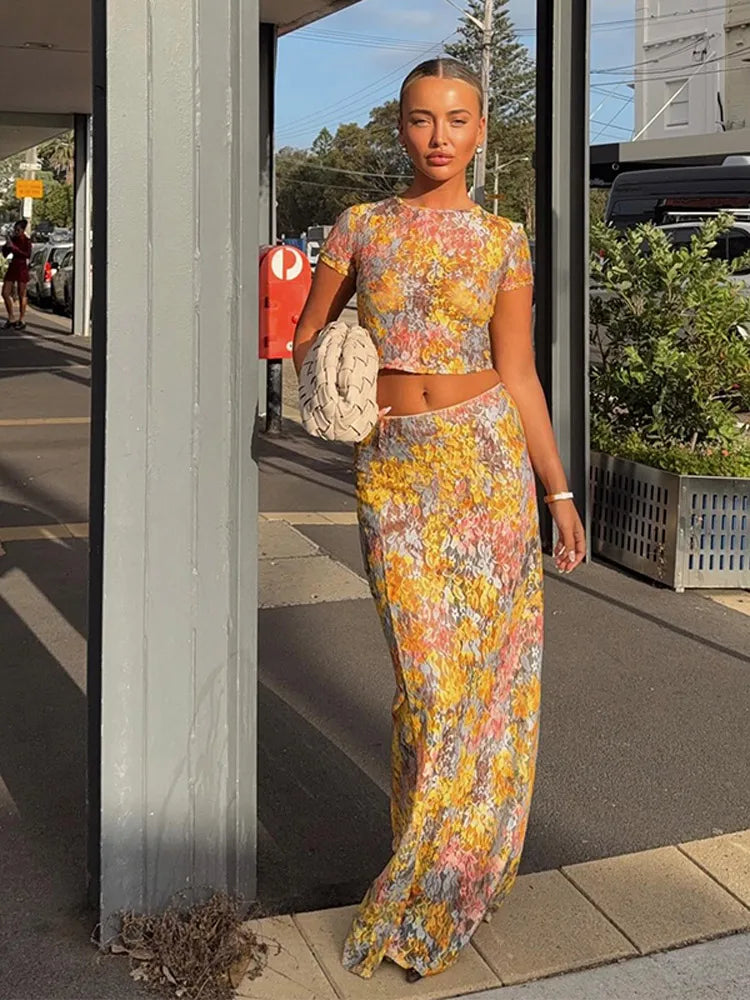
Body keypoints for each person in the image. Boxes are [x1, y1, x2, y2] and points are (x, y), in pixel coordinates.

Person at [293, 57, 586, 983]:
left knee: (486, 690)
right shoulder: (360, 227)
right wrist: (343, 376)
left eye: (457, 119)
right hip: (396, 477)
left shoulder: (502, 240)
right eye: (422, 119)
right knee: (427, 684)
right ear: (400, 127)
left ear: (481, 130)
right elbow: (306, 337)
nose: (439, 136)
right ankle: (426, 865)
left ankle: (448, 879)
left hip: (487, 469)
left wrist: (557, 491)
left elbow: (520, 374)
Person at [2, 219, 32, 330]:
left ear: (23, 230)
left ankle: (22, 318)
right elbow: (5, 254)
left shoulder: (27, 241)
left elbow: (27, 254)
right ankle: (11, 317)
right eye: (15, 230)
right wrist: (7, 246)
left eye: (18, 230)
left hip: (21, 266)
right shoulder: (13, 239)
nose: (16, 232)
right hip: (13, 265)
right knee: (5, 292)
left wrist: (14, 248)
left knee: (21, 293)